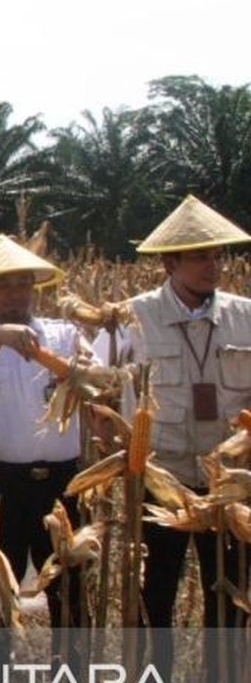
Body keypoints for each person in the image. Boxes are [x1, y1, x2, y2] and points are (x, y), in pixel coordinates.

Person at [116, 195, 251, 681]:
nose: (212, 266)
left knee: (229, 590)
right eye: (199, 256)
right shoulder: (130, 317)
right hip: (161, 476)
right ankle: (156, 671)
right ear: (169, 262)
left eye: (217, 256)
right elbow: (97, 387)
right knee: (158, 590)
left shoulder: (246, 315)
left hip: (229, 484)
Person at [0, 235, 89, 636]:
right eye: (4, 285)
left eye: (23, 284)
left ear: (34, 289)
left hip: (61, 483)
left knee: (68, 588)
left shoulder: (65, 335)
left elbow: (98, 382)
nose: (15, 294)